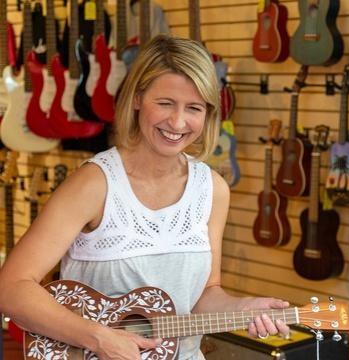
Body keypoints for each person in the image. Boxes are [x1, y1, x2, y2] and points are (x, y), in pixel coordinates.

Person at [0, 34, 289, 359]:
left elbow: (203, 295)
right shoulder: (94, 184)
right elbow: (11, 288)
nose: (178, 122)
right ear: (137, 98)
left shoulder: (213, 190)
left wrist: (242, 306)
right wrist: (98, 338)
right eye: (165, 103)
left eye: (193, 108)